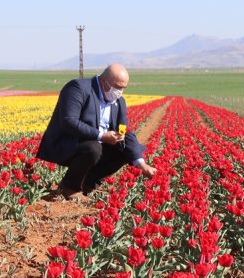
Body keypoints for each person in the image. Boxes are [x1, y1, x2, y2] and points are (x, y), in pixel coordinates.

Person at [36, 63, 157, 200]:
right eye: (117, 87)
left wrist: (142, 164)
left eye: (123, 88)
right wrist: (102, 135)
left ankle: (88, 183)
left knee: (125, 149)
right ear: (104, 80)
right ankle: (70, 186)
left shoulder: (119, 101)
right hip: (68, 143)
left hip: (94, 145)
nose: (119, 92)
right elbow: (69, 122)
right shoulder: (78, 88)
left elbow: (125, 131)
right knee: (93, 148)